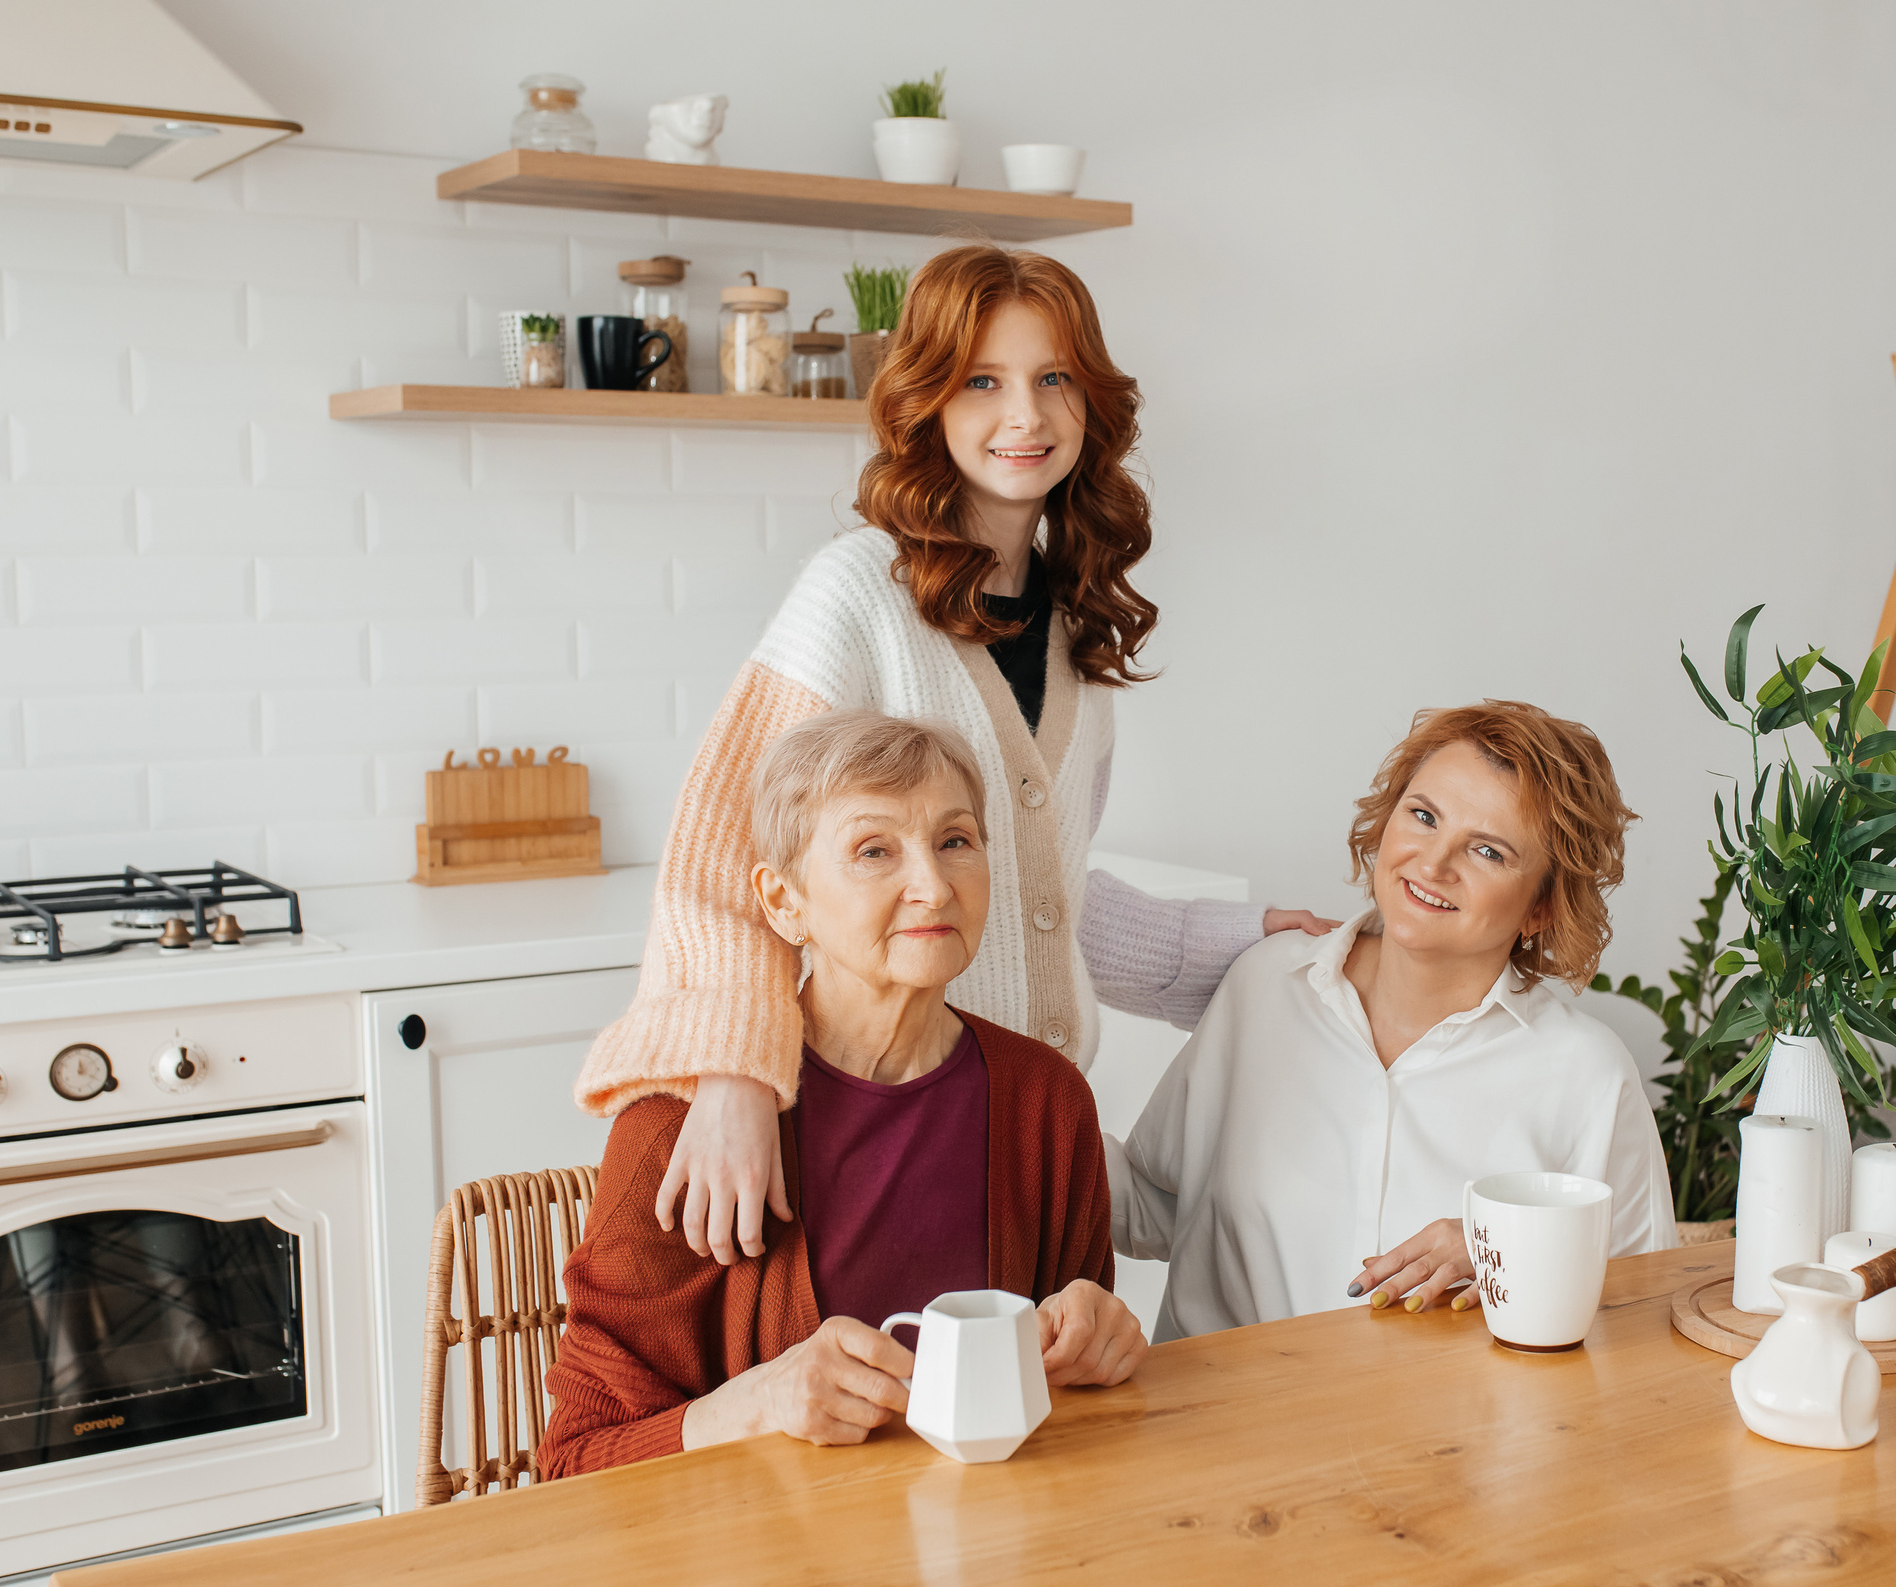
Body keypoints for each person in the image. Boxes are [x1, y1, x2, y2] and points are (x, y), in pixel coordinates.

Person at [574, 244, 1334, 1267]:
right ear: (925, 401)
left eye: (1052, 378)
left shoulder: (1072, 623)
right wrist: (733, 1079)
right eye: (983, 381)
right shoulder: (854, 597)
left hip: (1017, 1134)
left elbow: (1034, 890)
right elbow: (723, 866)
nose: (1024, 416)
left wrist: (1230, 941)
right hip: (883, 1127)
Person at [542, 711, 1144, 1475]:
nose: (932, 884)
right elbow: (573, 1461)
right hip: (763, 1577)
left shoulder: (1047, 1103)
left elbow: (1072, 1412)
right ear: (784, 901)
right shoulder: (679, 1130)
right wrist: (760, 1403)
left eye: (955, 840)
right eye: (873, 850)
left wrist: (1102, 1337)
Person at [1110, 701, 1676, 1340]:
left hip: (1440, 1440)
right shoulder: (1264, 985)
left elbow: (1644, 1306)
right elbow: (1158, 1211)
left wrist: (1508, 1251)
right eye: (1424, 816)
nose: (1433, 864)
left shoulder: (1587, 1074)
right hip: (1211, 1430)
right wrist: (1002, 1111)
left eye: (1487, 850)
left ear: (1542, 907)